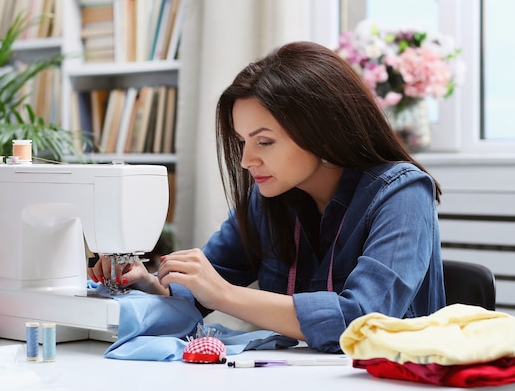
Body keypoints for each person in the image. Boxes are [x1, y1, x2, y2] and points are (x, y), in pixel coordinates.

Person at [88, 41, 446, 353]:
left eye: (264, 141)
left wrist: (224, 294)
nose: (245, 161)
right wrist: (148, 284)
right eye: (243, 141)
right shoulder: (268, 200)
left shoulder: (402, 193)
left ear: (322, 134)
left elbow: (362, 319)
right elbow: (196, 295)